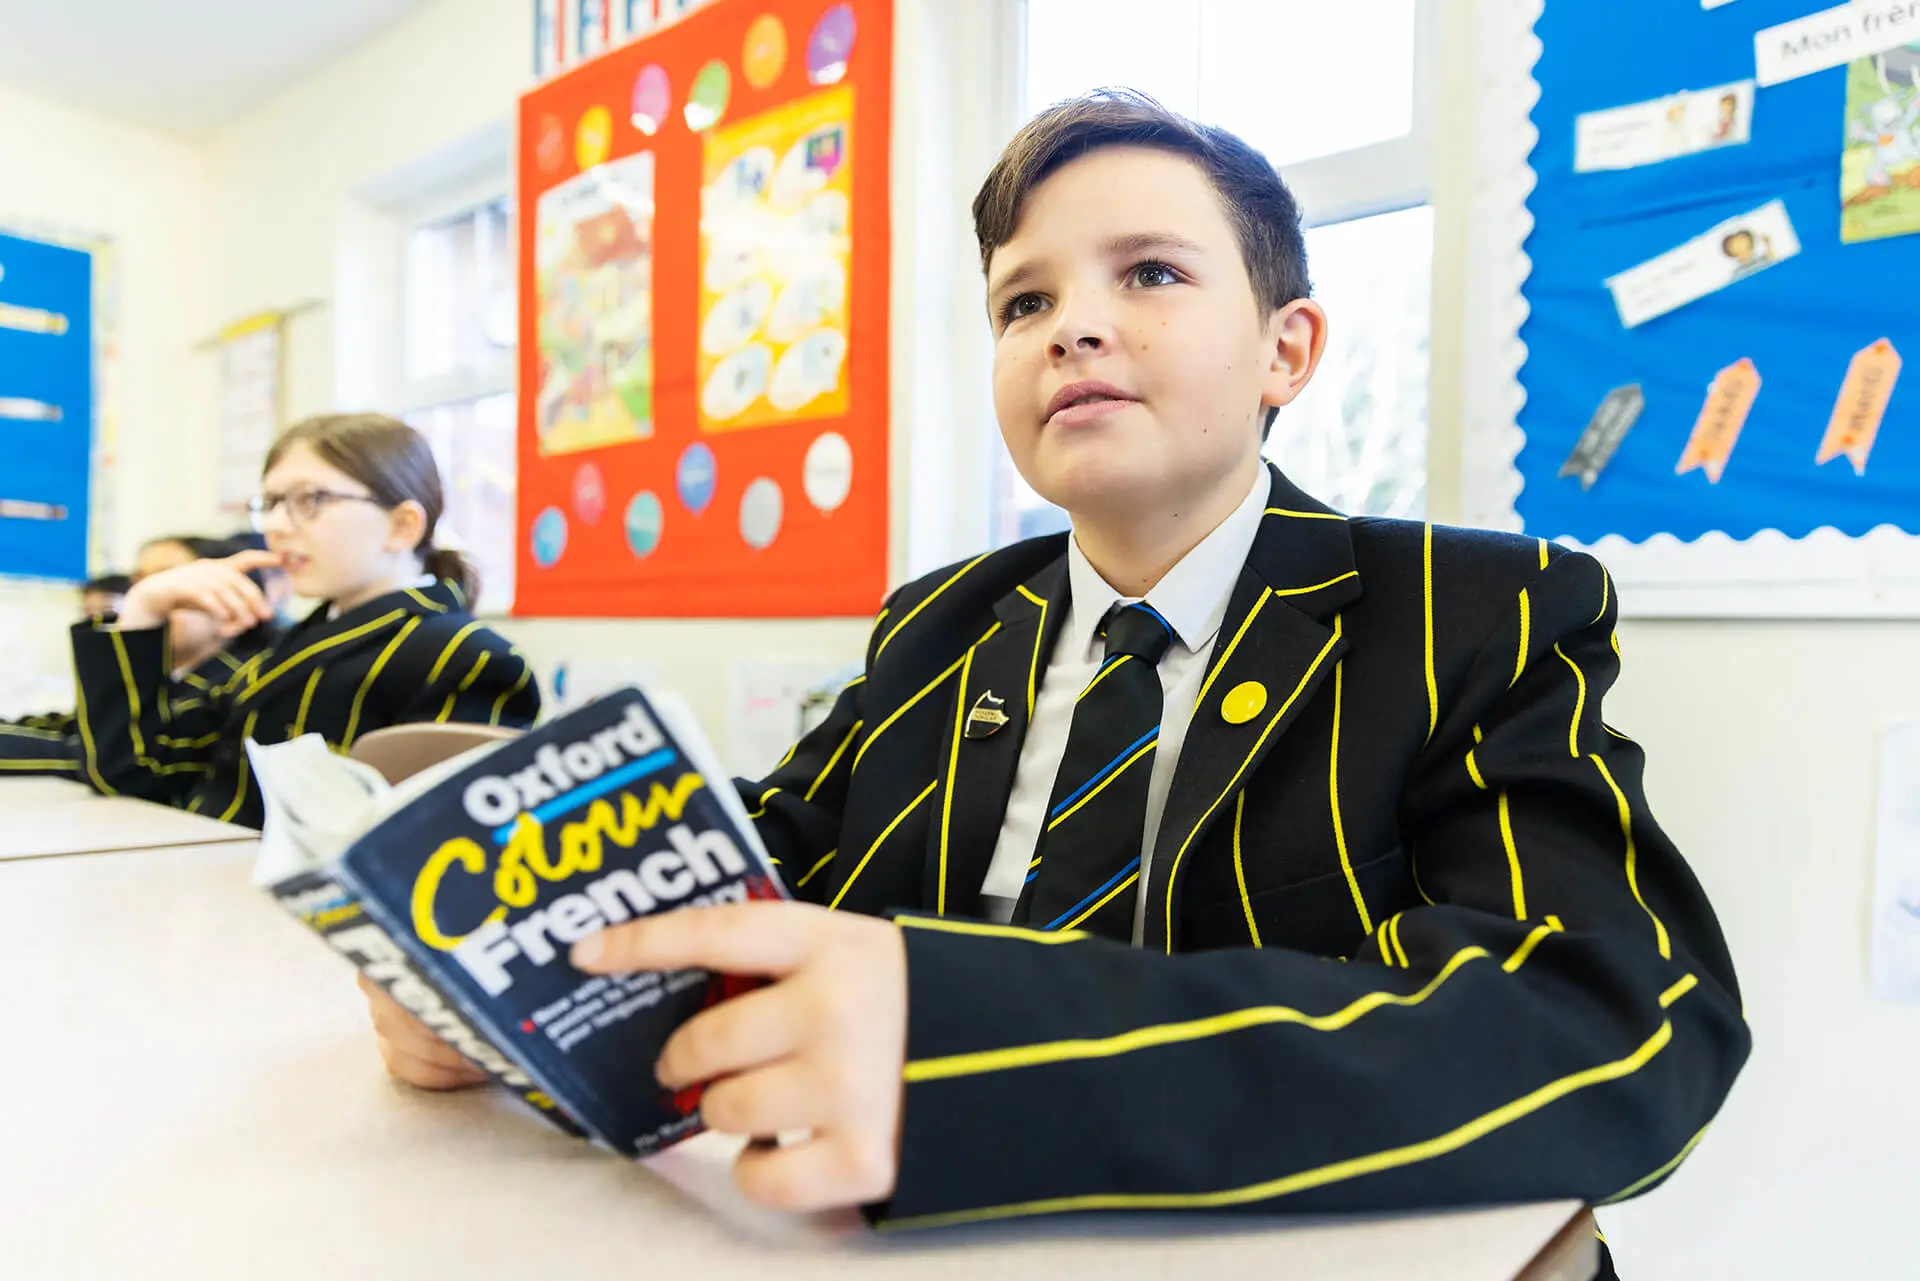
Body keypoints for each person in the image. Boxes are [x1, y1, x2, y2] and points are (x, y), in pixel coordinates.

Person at [363, 92, 1746, 1273]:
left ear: (1287, 350)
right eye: (1024, 301)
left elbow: (1621, 1029)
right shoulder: (939, 625)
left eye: (1150, 274)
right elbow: (772, 855)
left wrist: (985, 1057)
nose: (1071, 327)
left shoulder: (1473, 611)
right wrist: (521, 978)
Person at [70, 413, 540, 827]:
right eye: (271, 503)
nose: (276, 526)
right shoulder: (295, 640)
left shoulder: (466, 658)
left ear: (402, 526)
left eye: (310, 499)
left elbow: (423, 854)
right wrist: (144, 609)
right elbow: (131, 772)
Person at [1, 536, 279, 776]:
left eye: (167, 588)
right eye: (139, 586)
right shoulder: (168, 676)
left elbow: (113, 759)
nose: (147, 601)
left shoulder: (234, 684)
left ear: (233, 605)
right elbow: (74, 729)